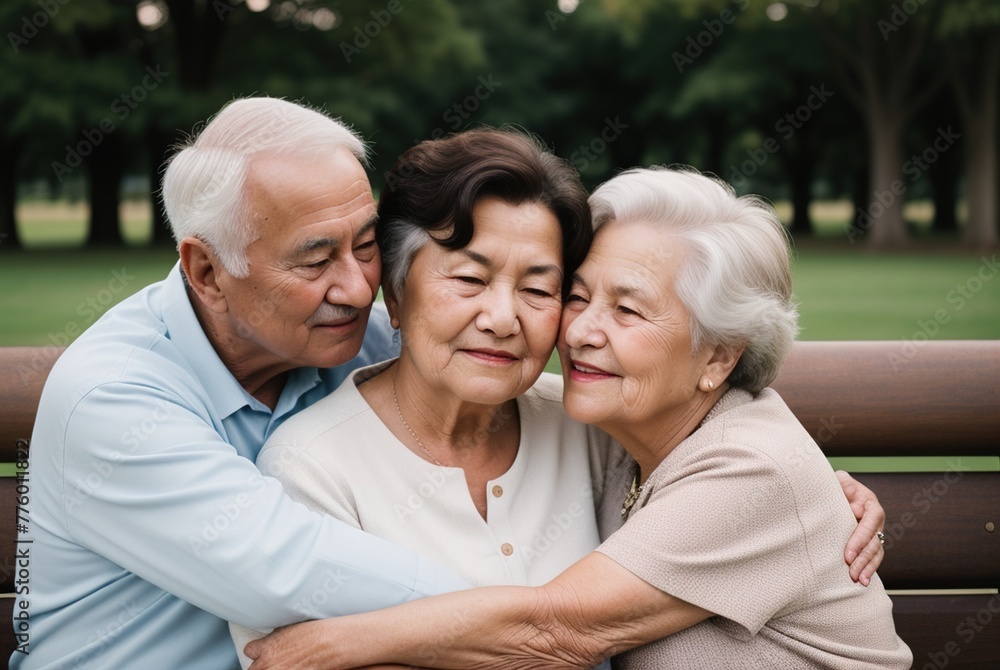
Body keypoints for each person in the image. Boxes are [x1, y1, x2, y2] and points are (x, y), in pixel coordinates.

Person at [244, 167, 912, 670]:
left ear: (717, 357)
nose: (583, 331)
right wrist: (825, 495)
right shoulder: (622, 438)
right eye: (578, 295)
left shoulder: (750, 469)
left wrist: (334, 643)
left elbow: (558, 630)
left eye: (628, 310)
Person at [12, 97, 469, 670]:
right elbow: (287, 573)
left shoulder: (370, 344)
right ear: (206, 271)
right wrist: (549, 620)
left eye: (366, 245)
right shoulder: (111, 396)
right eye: (314, 260)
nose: (358, 289)